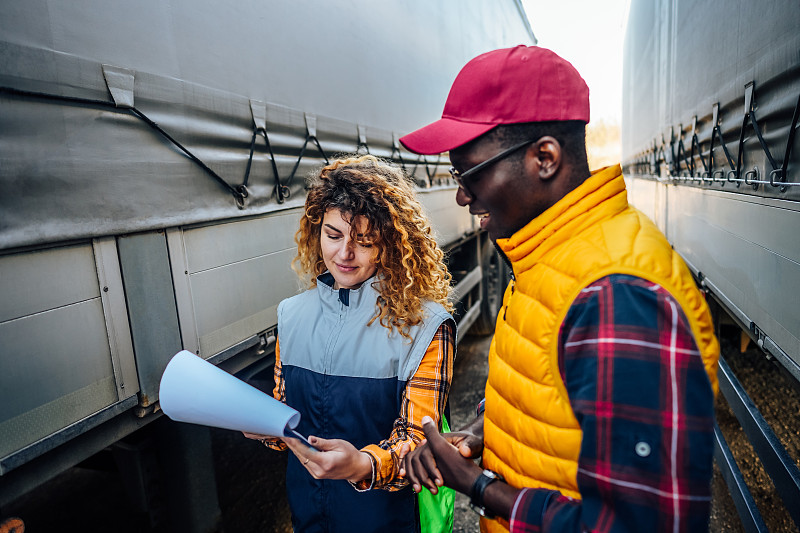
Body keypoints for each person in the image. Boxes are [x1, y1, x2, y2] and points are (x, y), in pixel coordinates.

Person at [398, 46, 720, 532]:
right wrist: (478, 433)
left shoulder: (617, 296)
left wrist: (482, 487)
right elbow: (553, 400)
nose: (462, 195)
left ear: (544, 158)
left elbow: (645, 525)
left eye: (469, 174)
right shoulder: (547, 257)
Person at [245, 154, 457, 533]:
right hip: (309, 517)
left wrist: (362, 464)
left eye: (363, 240)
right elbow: (287, 415)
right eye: (333, 235)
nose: (344, 254)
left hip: (389, 523)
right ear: (316, 231)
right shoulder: (291, 315)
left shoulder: (426, 325)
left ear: (391, 242)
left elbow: (421, 445)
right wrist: (265, 424)